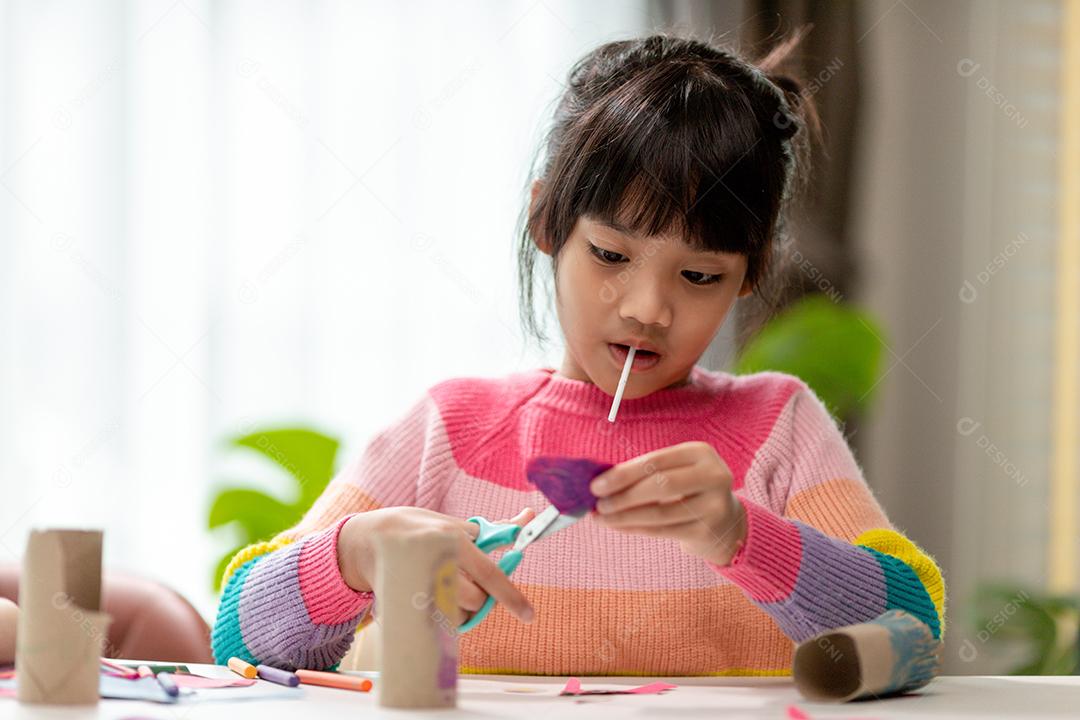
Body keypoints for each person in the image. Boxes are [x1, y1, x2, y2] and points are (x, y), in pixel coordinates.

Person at [211, 33, 944, 676]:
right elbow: (241, 637)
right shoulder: (452, 429)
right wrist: (354, 555)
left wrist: (742, 536)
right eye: (609, 254)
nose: (646, 308)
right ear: (546, 220)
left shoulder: (778, 426)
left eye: (698, 276)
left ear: (750, 275)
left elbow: (912, 631)